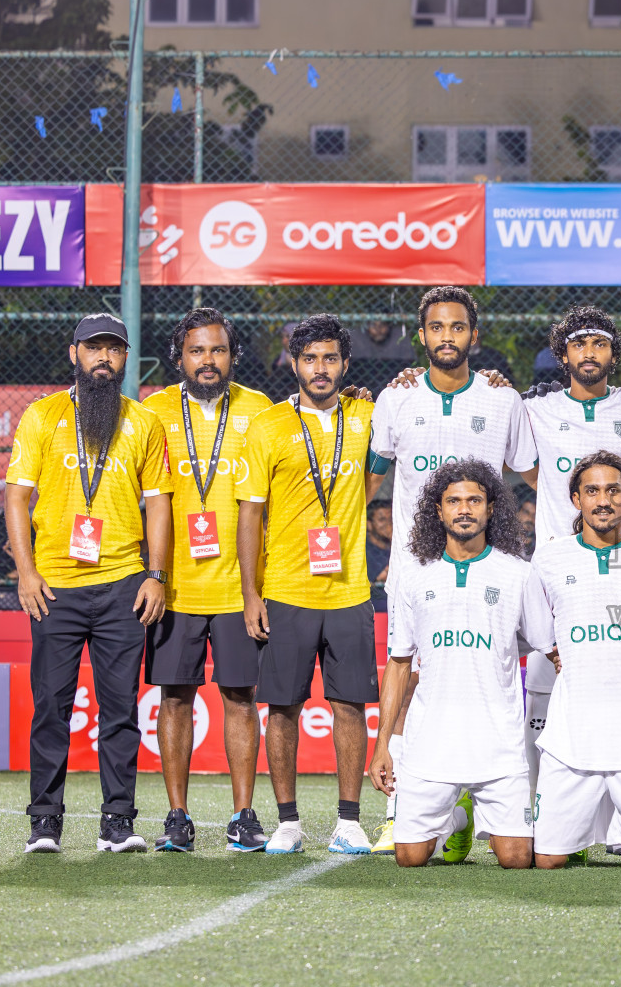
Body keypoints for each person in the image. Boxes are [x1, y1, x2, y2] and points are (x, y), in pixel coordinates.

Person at [365, 286, 537, 855]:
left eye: (457, 327)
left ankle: (491, 794)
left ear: (473, 336)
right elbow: (368, 479)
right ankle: (403, 807)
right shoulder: (397, 398)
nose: (447, 337)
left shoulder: (502, 401)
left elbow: (533, 474)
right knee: (409, 675)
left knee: (493, 669)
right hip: (417, 563)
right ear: (422, 336)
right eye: (437, 327)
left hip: (491, 560)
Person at [7, 314, 170, 854]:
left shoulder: (143, 422)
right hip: (54, 585)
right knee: (51, 706)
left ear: (126, 359)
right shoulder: (42, 414)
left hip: (123, 583)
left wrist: (156, 575)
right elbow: (15, 497)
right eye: (94, 348)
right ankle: (44, 823)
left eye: (114, 350)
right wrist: (26, 573)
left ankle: (117, 822)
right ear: (74, 353)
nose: (104, 357)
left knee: (120, 708)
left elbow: (159, 505)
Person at [518, 306, 621, 854]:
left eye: (599, 343)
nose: (589, 353)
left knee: (619, 695)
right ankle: (551, 818)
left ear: (612, 354)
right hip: (557, 570)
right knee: (544, 700)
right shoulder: (536, 408)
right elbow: (519, 457)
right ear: (563, 356)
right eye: (578, 344)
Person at [237, 314, 377, 856]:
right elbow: (251, 516)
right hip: (287, 591)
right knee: (283, 707)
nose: (321, 369)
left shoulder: (367, 414)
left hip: (350, 590)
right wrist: (253, 594)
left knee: (350, 705)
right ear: (293, 364)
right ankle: (288, 822)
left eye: (331, 359)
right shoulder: (268, 426)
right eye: (310, 359)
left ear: (345, 364)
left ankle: (349, 821)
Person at [369, 461, 551, 869]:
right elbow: (398, 665)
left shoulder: (518, 574)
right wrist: (382, 746)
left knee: (517, 859)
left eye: (474, 500)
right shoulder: (414, 576)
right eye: (454, 501)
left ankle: (471, 809)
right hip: (430, 743)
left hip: (498, 743)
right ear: (439, 510)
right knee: (410, 859)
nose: (464, 509)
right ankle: (458, 817)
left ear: (490, 509)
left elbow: (548, 647)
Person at [143, 308, 274, 853]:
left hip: (241, 587)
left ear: (233, 356)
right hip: (175, 588)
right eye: (197, 351)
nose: (208, 360)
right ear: (179, 358)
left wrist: (259, 589)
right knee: (175, 698)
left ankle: (243, 814)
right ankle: (178, 816)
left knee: (240, 696)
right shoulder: (151, 412)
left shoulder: (260, 410)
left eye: (218, 350)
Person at [526, 451, 621, 870]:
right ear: (576, 499)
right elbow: (540, 632)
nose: (603, 500)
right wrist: (565, 655)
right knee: (548, 861)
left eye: (613, 490)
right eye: (592, 490)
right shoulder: (550, 558)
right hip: (573, 731)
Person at [366, 500, 392, 613]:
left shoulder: (399, 547)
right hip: (374, 609)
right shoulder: (364, 552)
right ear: (369, 525)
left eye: (391, 518)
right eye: (382, 520)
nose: (388, 523)